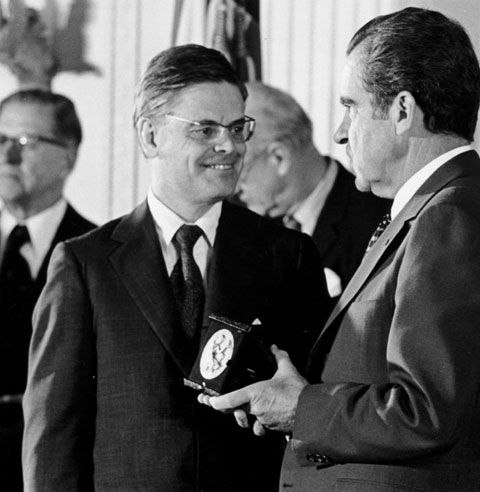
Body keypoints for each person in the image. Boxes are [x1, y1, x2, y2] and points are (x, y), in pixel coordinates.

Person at [200, 7, 480, 491]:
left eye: (350, 106)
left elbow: (424, 411)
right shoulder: (442, 206)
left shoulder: (448, 218)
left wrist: (301, 408)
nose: (338, 132)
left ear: (402, 110)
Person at [22, 44, 329, 491]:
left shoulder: (289, 255)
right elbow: (53, 441)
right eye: (205, 129)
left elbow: (315, 413)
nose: (229, 146)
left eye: (237, 128)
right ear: (150, 136)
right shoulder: (84, 266)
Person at [0, 89, 95, 490]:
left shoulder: (96, 253)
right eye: (1, 140)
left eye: (26, 142)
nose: (8, 156)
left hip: (46, 469)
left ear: (68, 156)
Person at [237, 82, 391, 298]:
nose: (234, 187)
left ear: (279, 157)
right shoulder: (239, 220)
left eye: (240, 170)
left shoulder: (380, 220)